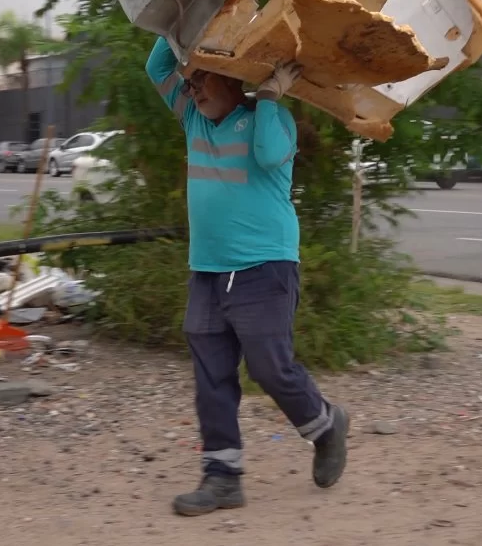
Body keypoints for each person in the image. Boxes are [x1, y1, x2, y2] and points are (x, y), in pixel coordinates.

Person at [146, 36, 349, 516]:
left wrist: (271, 96)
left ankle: (325, 425)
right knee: (211, 375)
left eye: (202, 78)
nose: (192, 88)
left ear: (232, 78)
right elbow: (158, 65)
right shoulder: (194, 119)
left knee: (268, 367)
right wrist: (186, 15)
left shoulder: (270, 118)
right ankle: (222, 478)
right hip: (208, 270)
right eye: (190, 80)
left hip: (264, 266)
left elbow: (267, 155)